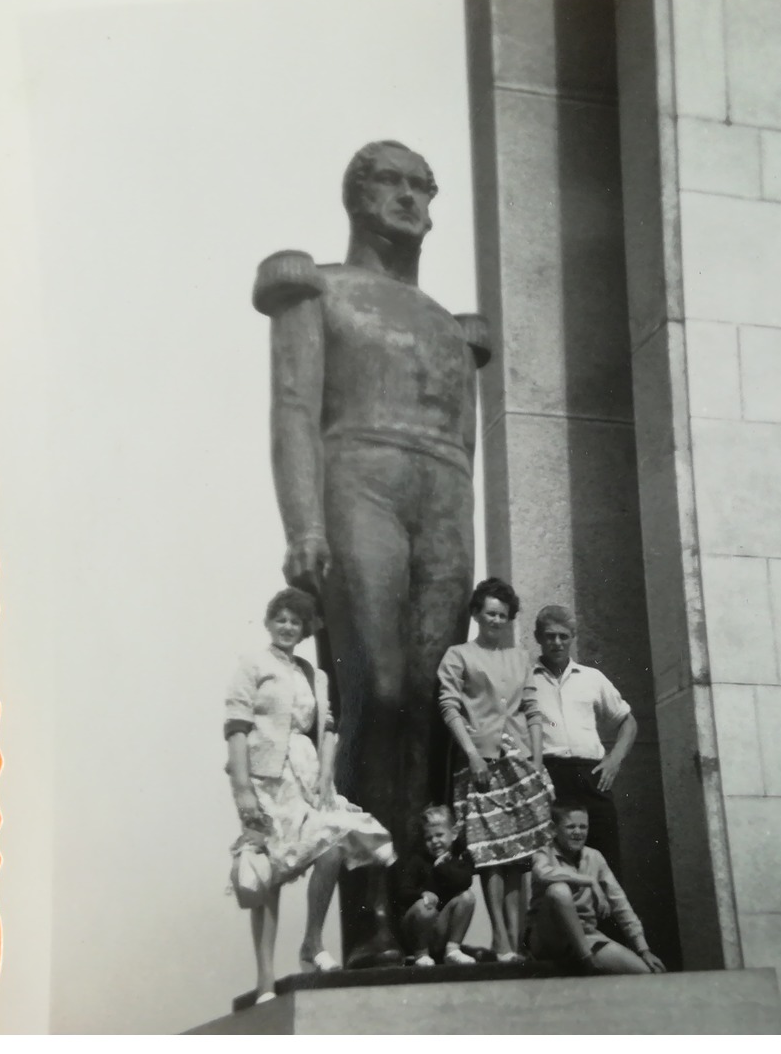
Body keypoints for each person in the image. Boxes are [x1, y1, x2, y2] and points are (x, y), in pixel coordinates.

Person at [254, 140, 491, 965]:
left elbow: (467, 448)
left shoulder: (452, 328)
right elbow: (292, 411)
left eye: (421, 185)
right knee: (378, 691)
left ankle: (418, 910)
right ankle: (365, 915)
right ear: (355, 197)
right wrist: (304, 527)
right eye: (388, 181)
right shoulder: (315, 285)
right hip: (360, 479)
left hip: (443, 499)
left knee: (429, 700)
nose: (408, 197)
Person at [224, 587, 395, 1002]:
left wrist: (326, 775)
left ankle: (312, 942)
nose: (287, 627)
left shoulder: (313, 673)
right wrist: (244, 791)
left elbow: (329, 725)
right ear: (268, 623)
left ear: (303, 629)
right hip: (266, 780)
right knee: (269, 877)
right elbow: (236, 727)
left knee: (332, 846)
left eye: (295, 621)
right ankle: (265, 980)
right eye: (280, 619)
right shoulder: (253, 664)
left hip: (308, 775)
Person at [438, 577, 554, 963]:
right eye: (490, 613)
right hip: (482, 763)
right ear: (476, 613)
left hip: (520, 764)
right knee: (491, 855)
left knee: (519, 856)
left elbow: (533, 711)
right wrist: (472, 755)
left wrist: (536, 762)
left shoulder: (519, 657)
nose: (496, 620)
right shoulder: (459, 655)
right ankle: (501, 941)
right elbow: (450, 707)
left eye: (503, 615)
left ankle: (516, 943)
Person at [528, 605, 637, 877]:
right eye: (550, 636)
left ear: (573, 636)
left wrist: (614, 760)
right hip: (551, 778)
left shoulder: (592, 678)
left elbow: (628, 721)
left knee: (605, 859)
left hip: (593, 777)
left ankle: (608, 920)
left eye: (563, 636)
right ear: (537, 637)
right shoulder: (525, 680)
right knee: (557, 866)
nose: (557, 642)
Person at [527, 803, 666, 976]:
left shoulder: (594, 857)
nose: (578, 832)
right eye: (570, 827)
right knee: (559, 891)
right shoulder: (543, 854)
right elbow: (542, 873)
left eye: (583, 827)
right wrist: (589, 881)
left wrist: (643, 949)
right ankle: (588, 963)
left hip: (587, 936)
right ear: (554, 829)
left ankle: (588, 958)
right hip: (549, 938)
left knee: (648, 972)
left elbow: (620, 903)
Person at [389, 805, 478, 967]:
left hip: (441, 926)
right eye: (429, 838)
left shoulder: (461, 858)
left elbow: (465, 882)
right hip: (419, 927)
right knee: (425, 908)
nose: (435, 841)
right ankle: (420, 954)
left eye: (439, 835)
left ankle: (452, 950)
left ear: (454, 834)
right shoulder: (418, 861)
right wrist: (422, 894)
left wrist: (442, 866)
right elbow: (402, 892)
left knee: (467, 897)